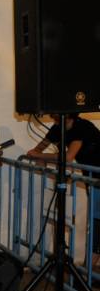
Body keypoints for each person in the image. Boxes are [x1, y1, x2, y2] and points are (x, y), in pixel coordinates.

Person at [27, 113, 100, 267]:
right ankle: (87, 270)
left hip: (96, 178)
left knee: (97, 224)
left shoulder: (82, 126)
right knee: (95, 222)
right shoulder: (57, 127)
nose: (53, 118)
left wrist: (41, 156)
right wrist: (39, 156)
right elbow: (36, 150)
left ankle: (88, 270)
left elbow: (68, 157)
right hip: (93, 179)